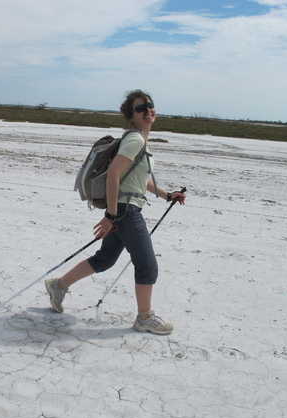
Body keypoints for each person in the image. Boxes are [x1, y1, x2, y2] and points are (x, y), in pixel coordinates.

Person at [44, 89, 186, 335]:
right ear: (132, 116)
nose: (147, 110)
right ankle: (144, 317)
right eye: (140, 108)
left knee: (105, 259)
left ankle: (59, 285)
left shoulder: (138, 140)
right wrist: (111, 215)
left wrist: (166, 195)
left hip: (124, 208)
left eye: (149, 105)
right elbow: (113, 175)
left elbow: (138, 180)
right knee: (147, 266)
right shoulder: (135, 140)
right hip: (126, 211)